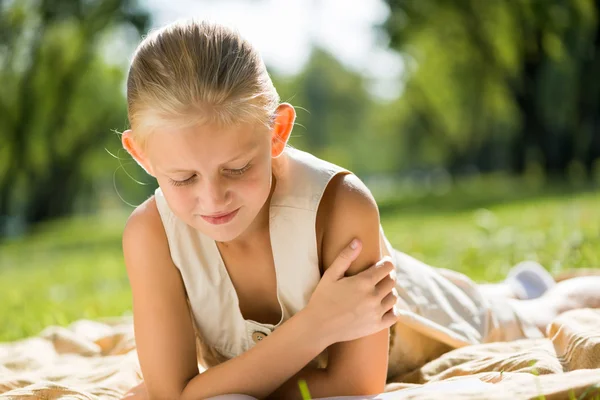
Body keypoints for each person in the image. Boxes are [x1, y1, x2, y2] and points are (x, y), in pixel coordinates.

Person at [119, 19, 600, 400]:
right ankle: (515, 285)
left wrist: (208, 390)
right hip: (322, 336)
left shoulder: (340, 204)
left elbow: (355, 386)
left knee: (535, 316)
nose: (212, 199)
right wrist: (316, 327)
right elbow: (174, 396)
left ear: (276, 132)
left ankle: (529, 293)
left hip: (422, 322)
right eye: (182, 179)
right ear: (142, 155)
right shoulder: (150, 235)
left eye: (238, 168)